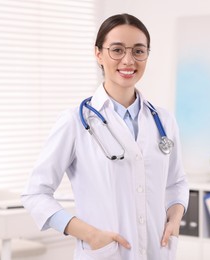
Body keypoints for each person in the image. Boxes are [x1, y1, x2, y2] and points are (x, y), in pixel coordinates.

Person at [22, 13, 189, 260]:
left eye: (139, 51)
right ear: (98, 54)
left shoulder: (163, 120)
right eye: (117, 50)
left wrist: (174, 218)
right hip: (106, 253)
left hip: (157, 251)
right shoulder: (75, 122)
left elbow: (176, 182)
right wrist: (89, 234)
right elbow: (35, 194)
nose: (128, 60)